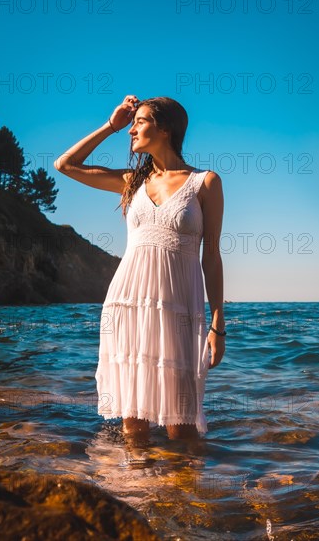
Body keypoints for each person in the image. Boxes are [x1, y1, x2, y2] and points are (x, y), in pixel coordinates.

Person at [54, 95, 225, 441]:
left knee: (183, 427)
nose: (131, 130)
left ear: (165, 129)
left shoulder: (204, 182)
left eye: (139, 122)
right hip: (128, 305)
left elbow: (212, 256)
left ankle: (185, 493)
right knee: (133, 425)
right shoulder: (132, 181)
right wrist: (110, 125)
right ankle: (135, 493)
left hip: (178, 309)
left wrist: (218, 324)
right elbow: (65, 165)